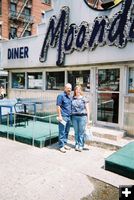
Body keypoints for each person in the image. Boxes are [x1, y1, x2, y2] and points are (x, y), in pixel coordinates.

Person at [72, 85, 90, 152]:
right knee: (76, 132)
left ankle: (81, 145)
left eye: (79, 89)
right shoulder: (73, 98)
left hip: (82, 117)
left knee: (81, 132)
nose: (77, 91)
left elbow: (88, 109)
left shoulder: (84, 98)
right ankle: (76, 144)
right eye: (76, 89)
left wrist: (88, 119)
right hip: (74, 117)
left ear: (81, 90)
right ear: (75, 91)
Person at [56, 83, 72, 153]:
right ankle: (61, 146)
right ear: (65, 88)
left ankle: (64, 144)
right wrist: (59, 116)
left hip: (68, 116)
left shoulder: (69, 96)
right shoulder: (61, 96)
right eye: (68, 88)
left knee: (66, 131)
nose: (69, 89)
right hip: (63, 116)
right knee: (62, 131)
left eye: (70, 88)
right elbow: (58, 106)